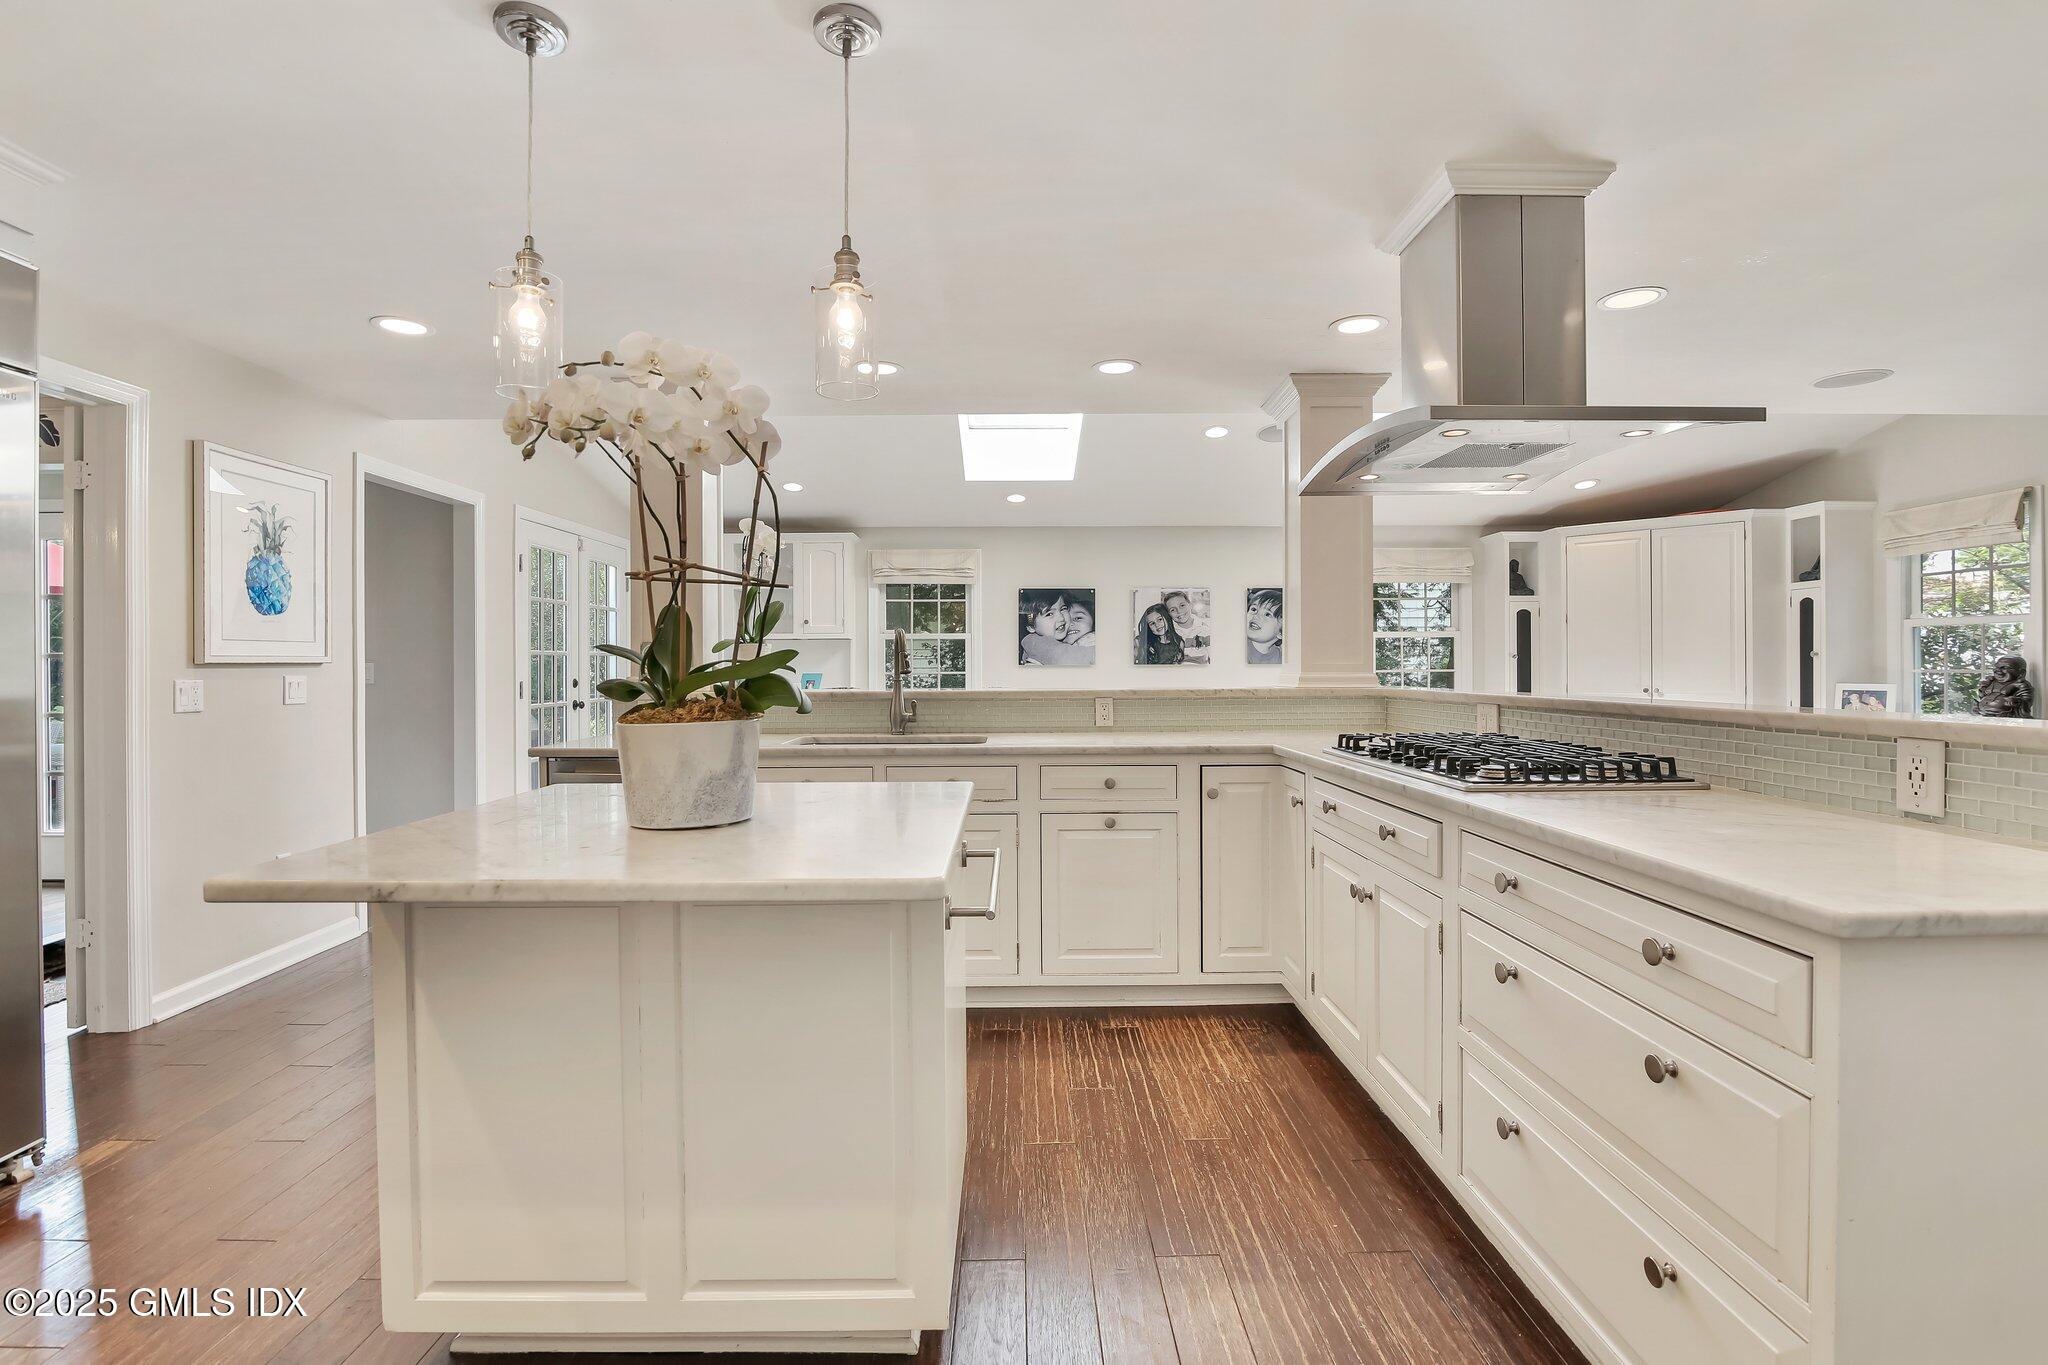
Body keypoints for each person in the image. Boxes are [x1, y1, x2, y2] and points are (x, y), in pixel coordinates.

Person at [1018, 589, 1092, 666]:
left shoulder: (1068, 638)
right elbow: (1067, 658)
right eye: (1049, 614)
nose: (1061, 618)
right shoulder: (1033, 642)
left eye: (1063, 609)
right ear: (1031, 627)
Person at [1162, 589, 1210, 662]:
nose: (1179, 611)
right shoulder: (1168, 632)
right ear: (1169, 614)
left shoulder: (1205, 629)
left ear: (1190, 605)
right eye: (1173, 610)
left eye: (1182, 605)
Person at [1245, 588, 1283, 665]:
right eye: (1254, 609)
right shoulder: (1239, 646)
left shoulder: (1280, 658)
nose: (1256, 616)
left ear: (1281, 633)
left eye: (1267, 614)